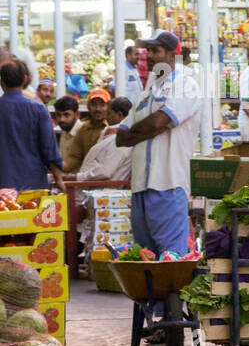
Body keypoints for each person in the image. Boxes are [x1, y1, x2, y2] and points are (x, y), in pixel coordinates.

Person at [116, 31, 202, 257]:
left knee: (172, 258)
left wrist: (150, 126)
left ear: (172, 56)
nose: (149, 56)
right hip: (140, 187)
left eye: (156, 51)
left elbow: (160, 122)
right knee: (145, 256)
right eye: (148, 51)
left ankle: (172, 294)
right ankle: (153, 294)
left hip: (169, 184)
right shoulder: (146, 94)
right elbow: (121, 137)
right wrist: (152, 127)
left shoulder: (186, 85)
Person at [0, 58, 63, 191]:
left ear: (1, 83)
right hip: (33, 184)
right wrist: (58, 179)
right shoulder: (39, 109)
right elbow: (49, 149)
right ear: (24, 80)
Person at [67, 97, 131, 183]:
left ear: (119, 115)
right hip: (93, 189)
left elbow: (105, 172)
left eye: (109, 113)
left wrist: (76, 177)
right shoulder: (110, 134)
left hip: (104, 192)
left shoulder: (122, 139)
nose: (106, 116)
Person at [62, 88, 111, 174]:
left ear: (109, 107)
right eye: (94, 105)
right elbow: (75, 157)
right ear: (88, 106)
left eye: (102, 105)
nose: (97, 109)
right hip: (87, 179)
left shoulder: (112, 127)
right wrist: (58, 167)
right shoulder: (84, 128)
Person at [52, 96, 81, 165]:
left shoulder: (83, 133)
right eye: (58, 115)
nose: (62, 119)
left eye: (66, 115)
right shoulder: (65, 131)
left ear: (77, 115)